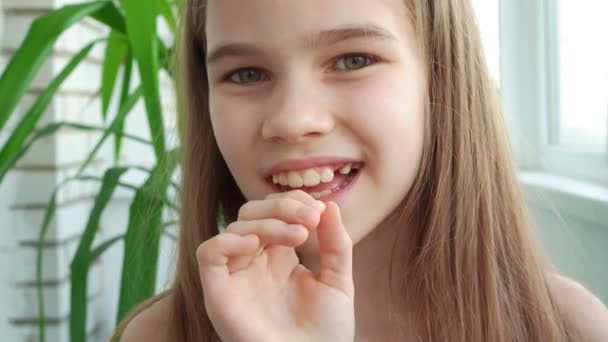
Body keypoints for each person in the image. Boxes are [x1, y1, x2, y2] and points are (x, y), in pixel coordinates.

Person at [114, 0, 608, 341]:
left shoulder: (569, 329)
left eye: (353, 59)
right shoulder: (156, 337)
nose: (292, 120)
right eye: (245, 73)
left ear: (440, 77)